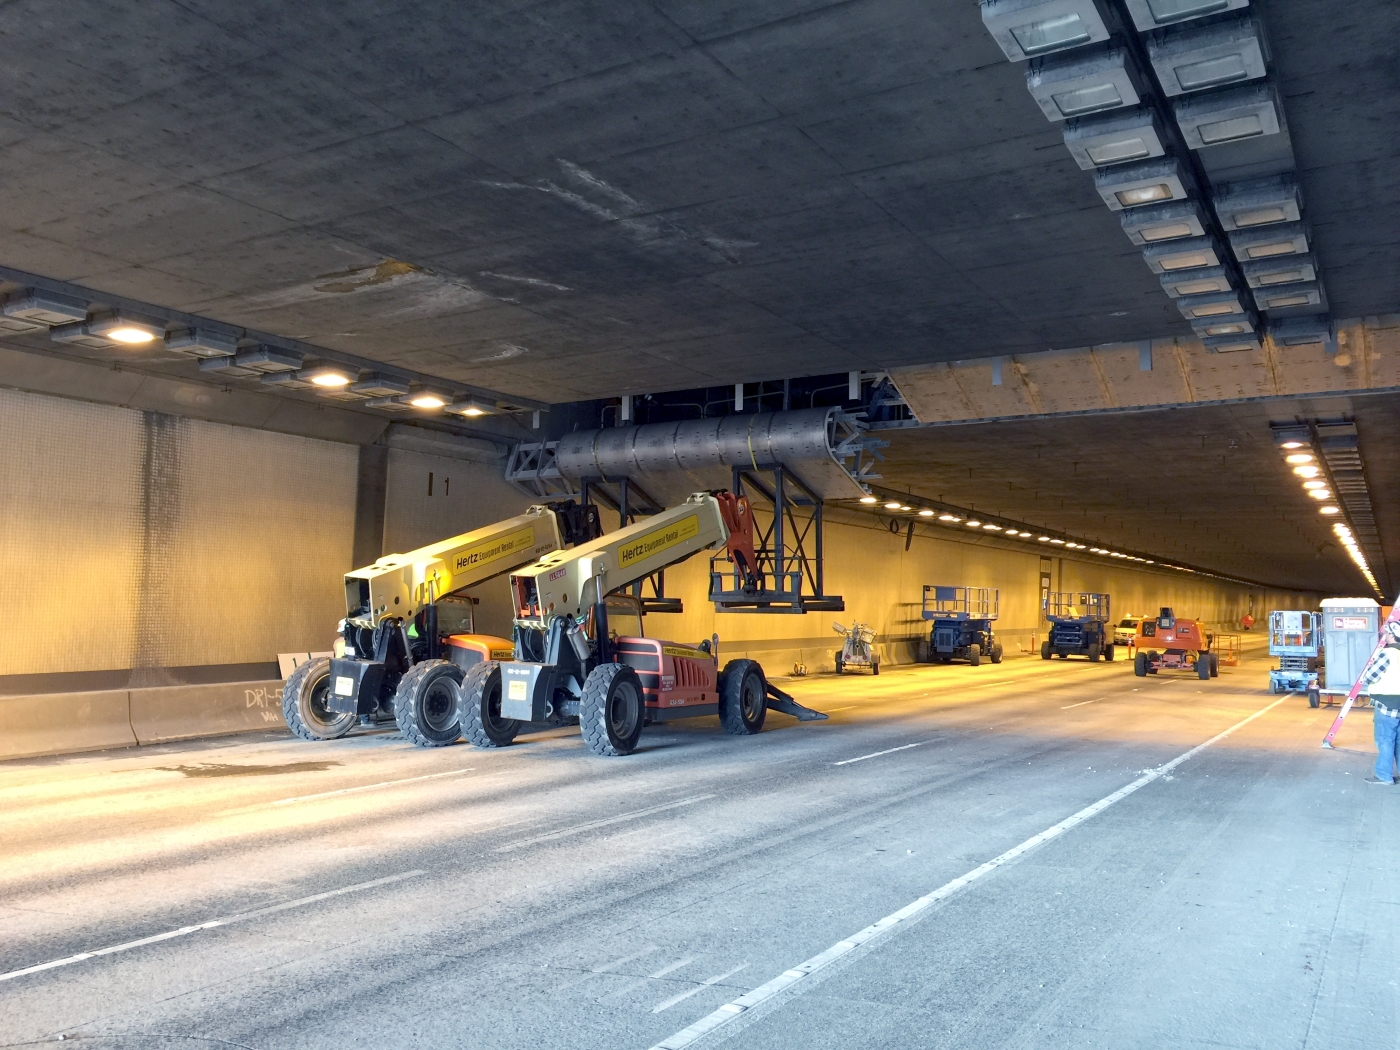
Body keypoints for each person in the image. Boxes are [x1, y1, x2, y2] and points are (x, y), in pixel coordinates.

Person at [1358, 620, 1400, 784]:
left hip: (1387, 704)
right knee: (1399, 742)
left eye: (1387, 633)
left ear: (1392, 635)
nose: (1385, 635)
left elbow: (1369, 676)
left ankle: (1384, 776)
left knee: (1385, 740)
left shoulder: (1388, 654)